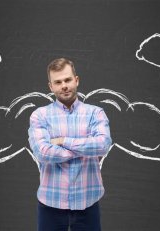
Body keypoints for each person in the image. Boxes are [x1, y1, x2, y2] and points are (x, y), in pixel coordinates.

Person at [28, 58, 112, 231]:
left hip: (88, 204)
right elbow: (42, 152)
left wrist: (62, 142)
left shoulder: (95, 113)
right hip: (50, 204)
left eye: (67, 80)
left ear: (76, 80)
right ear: (51, 87)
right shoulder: (39, 115)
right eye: (58, 82)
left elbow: (103, 144)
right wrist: (84, 149)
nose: (64, 85)